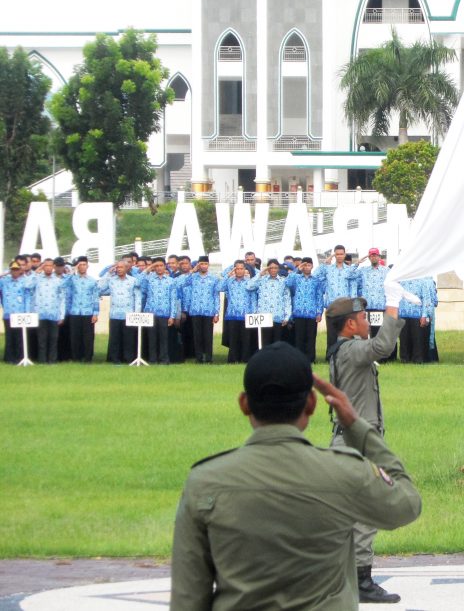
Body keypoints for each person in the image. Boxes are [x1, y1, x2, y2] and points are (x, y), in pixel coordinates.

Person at [169, 341, 421, 610]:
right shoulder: (345, 472)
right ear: (311, 403)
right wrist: (356, 426)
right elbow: (406, 504)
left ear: (245, 404)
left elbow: (188, 599)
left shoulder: (206, 481)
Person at [325, 283, 409, 604]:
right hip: (358, 443)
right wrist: (392, 305)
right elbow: (383, 346)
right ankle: (361, 580)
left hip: (349, 439)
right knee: (366, 510)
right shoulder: (351, 350)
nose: (367, 322)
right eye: (362, 317)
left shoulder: (345, 349)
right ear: (349, 324)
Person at [21, 258, 67, 364]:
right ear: (43, 267)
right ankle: (42, 360)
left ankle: (52, 360)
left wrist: (61, 315)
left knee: (53, 339)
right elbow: (26, 285)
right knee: (42, 339)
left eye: (50, 266)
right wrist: (36, 272)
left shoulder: (58, 281)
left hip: (53, 314)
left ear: (53, 267)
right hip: (40, 314)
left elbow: (62, 299)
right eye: (46, 266)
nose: (48, 268)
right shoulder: (37, 279)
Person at [315, 246, 360, 354]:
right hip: (332, 306)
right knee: (331, 333)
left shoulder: (350, 270)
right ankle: (330, 355)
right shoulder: (328, 269)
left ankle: (345, 355)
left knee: (345, 332)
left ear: (345, 255)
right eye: (337, 254)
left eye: (341, 254)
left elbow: (353, 287)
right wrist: (325, 262)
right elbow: (315, 275)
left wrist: (354, 307)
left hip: (345, 306)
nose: (339, 256)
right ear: (334, 255)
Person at [98, 261, 141, 364]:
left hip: (129, 314)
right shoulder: (111, 280)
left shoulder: (133, 280)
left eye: (121, 267)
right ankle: (115, 359)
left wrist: (136, 313)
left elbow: (138, 297)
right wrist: (108, 274)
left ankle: (128, 358)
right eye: (117, 267)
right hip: (115, 314)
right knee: (115, 338)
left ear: (126, 268)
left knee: (129, 338)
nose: (119, 269)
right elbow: (99, 289)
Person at [139, 258, 180, 365]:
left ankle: (164, 359)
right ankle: (152, 359)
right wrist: (149, 268)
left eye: (161, 265)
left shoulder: (171, 281)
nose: (159, 268)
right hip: (150, 312)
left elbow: (173, 299)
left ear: (165, 266)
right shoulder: (149, 279)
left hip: (164, 313)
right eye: (156, 266)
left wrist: (172, 316)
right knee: (151, 338)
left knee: (164, 338)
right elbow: (138, 282)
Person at [181, 256, 220, 364]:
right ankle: (198, 358)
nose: (203, 266)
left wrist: (216, 313)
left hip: (208, 310)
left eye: (205, 264)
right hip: (195, 310)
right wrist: (192, 271)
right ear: (198, 265)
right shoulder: (193, 277)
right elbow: (183, 283)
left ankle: (208, 357)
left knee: (208, 335)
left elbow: (216, 296)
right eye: (201, 264)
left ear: (208, 265)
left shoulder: (214, 278)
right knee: (197, 335)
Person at [62, 256, 99, 362]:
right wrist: (73, 271)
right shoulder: (72, 279)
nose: (82, 267)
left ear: (88, 266)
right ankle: (76, 357)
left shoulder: (92, 281)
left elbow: (95, 297)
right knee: (75, 336)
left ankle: (88, 357)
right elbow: (62, 285)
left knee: (88, 337)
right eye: (80, 265)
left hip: (88, 311)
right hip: (75, 311)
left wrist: (96, 313)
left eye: (84, 264)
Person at [247, 259, 291, 349]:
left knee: (277, 343)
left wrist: (287, 316)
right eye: (271, 268)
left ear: (278, 269)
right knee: (265, 342)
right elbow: (249, 286)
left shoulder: (283, 281)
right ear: (268, 269)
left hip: (278, 316)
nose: (273, 270)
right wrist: (259, 274)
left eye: (275, 268)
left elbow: (287, 299)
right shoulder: (261, 280)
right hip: (264, 316)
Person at [218, 261, 255, 363]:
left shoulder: (249, 282)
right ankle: (233, 360)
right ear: (234, 270)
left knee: (245, 339)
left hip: (246, 314)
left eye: (241, 268)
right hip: (232, 314)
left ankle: (245, 359)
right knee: (233, 339)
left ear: (244, 270)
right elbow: (219, 288)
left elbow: (253, 298)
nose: (239, 271)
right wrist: (228, 275)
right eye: (237, 269)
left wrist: (253, 313)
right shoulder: (230, 281)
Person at [1, 261, 30, 363]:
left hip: (20, 313)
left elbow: (27, 297)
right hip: (8, 314)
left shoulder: (24, 281)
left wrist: (27, 312)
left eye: (16, 270)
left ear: (20, 270)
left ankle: (19, 357)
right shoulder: (4, 281)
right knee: (9, 337)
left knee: (19, 337)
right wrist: (5, 273)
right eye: (13, 270)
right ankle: (9, 358)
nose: (15, 272)